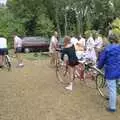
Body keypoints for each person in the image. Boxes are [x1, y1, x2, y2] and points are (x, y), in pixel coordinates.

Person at [97, 34, 120, 112]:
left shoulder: (107, 49)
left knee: (112, 89)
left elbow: (101, 61)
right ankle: (112, 98)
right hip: (119, 70)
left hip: (111, 72)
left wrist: (98, 67)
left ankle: (112, 107)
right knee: (116, 87)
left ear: (110, 40)